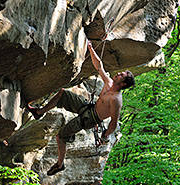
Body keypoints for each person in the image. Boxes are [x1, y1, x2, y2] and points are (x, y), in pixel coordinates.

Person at [26, 40, 135, 176]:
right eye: (121, 73)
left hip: (89, 119)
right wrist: (90, 47)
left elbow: (113, 122)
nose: (118, 74)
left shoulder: (116, 100)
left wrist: (105, 136)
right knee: (62, 94)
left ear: (123, 84)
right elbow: (99, 66)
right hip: (87, 107)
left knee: (61, 136)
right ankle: (39, 112)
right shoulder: (109, 83)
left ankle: (60, 164)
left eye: (121, 75)